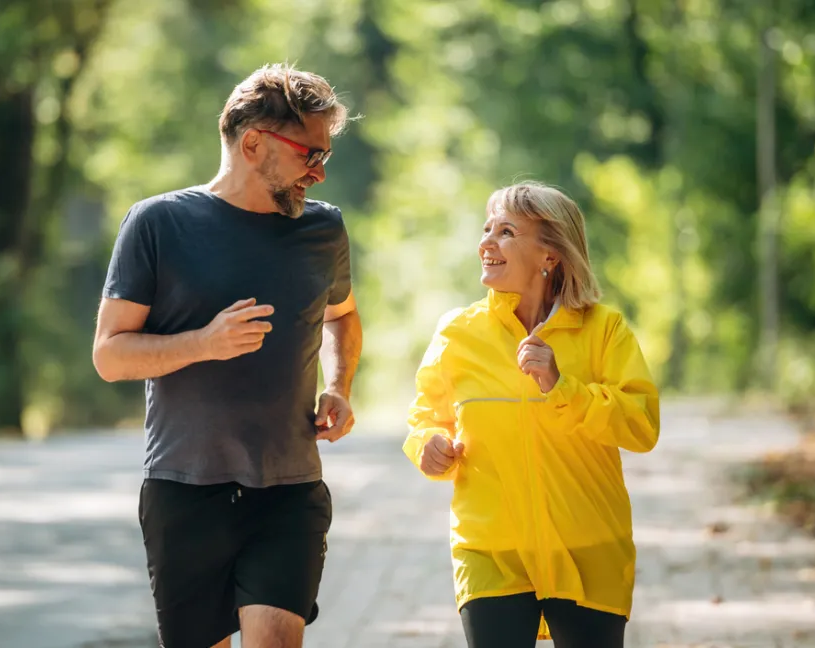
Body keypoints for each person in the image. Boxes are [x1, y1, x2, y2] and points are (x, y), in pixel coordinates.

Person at [93, 63, 363, 648]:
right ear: (252, 143)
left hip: (289, 490)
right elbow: (110, 356)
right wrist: (203, 343)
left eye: (325, 157)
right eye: (307, 155)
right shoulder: (158, 223)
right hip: (185, 491)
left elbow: (342, 317)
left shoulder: (324, 231)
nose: (317, 173)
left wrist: (339, 386)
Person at [402, 181, 660, 648]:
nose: (486, 243)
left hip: (589, 547)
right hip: (489, 549)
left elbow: (641, 426)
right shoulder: (458, 334)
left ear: (550, 254)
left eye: (505, 232)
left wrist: (564, 389)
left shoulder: (604, 331)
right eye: (486, 229)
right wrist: (428, 447)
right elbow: (425, 419)